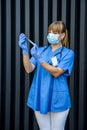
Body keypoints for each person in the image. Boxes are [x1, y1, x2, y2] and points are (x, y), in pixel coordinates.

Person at [18, 21, 74, 130]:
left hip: (58, 98)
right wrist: (24, 51)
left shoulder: (68, 53)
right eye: (50, 32)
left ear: (62, 35)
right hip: (39, 96)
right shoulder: (41, 50)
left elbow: (57, 72)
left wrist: (40, 59)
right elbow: (29, 69)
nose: (51, 35)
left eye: (55, 32)